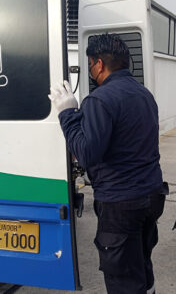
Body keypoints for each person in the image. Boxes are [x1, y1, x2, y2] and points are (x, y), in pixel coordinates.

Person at [49, 34, 167, 294]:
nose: (91, 70)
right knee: (141, 264)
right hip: (152, 196)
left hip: (121, 204)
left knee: (123, 279)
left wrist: (68, 114)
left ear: (99, 64)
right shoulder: (145, 95)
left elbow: (87, 153)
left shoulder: (100, 99)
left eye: (90, 65)